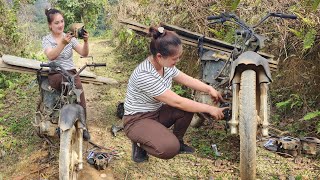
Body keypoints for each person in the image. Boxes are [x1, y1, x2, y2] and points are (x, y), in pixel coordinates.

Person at [123, 26, 226, 163]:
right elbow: (178, 102)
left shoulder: (165, 66)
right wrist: (210, 108)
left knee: (187, 110)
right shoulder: (144, 75)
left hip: (156, 112)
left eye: (178, 57)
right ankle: (140, 143)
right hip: (137, 120)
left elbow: (187, 79)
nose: (177, 61)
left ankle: (178, 141)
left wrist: (209, 89)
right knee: (169, 148)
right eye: (174, 58)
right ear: (159, 56)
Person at [42, 8, 90, 140]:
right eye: (56, 23)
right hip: (56, 72)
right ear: (50, 25)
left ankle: (83, 125)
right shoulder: (47, 39)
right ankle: (60, 120)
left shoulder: (70, 37)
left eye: (62, 21)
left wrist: (85, 41)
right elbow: (51, 56)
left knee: (79, 93)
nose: (60, 25)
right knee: (67, 85)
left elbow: (84, 53)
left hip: (71, 72)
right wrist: (62, 43)